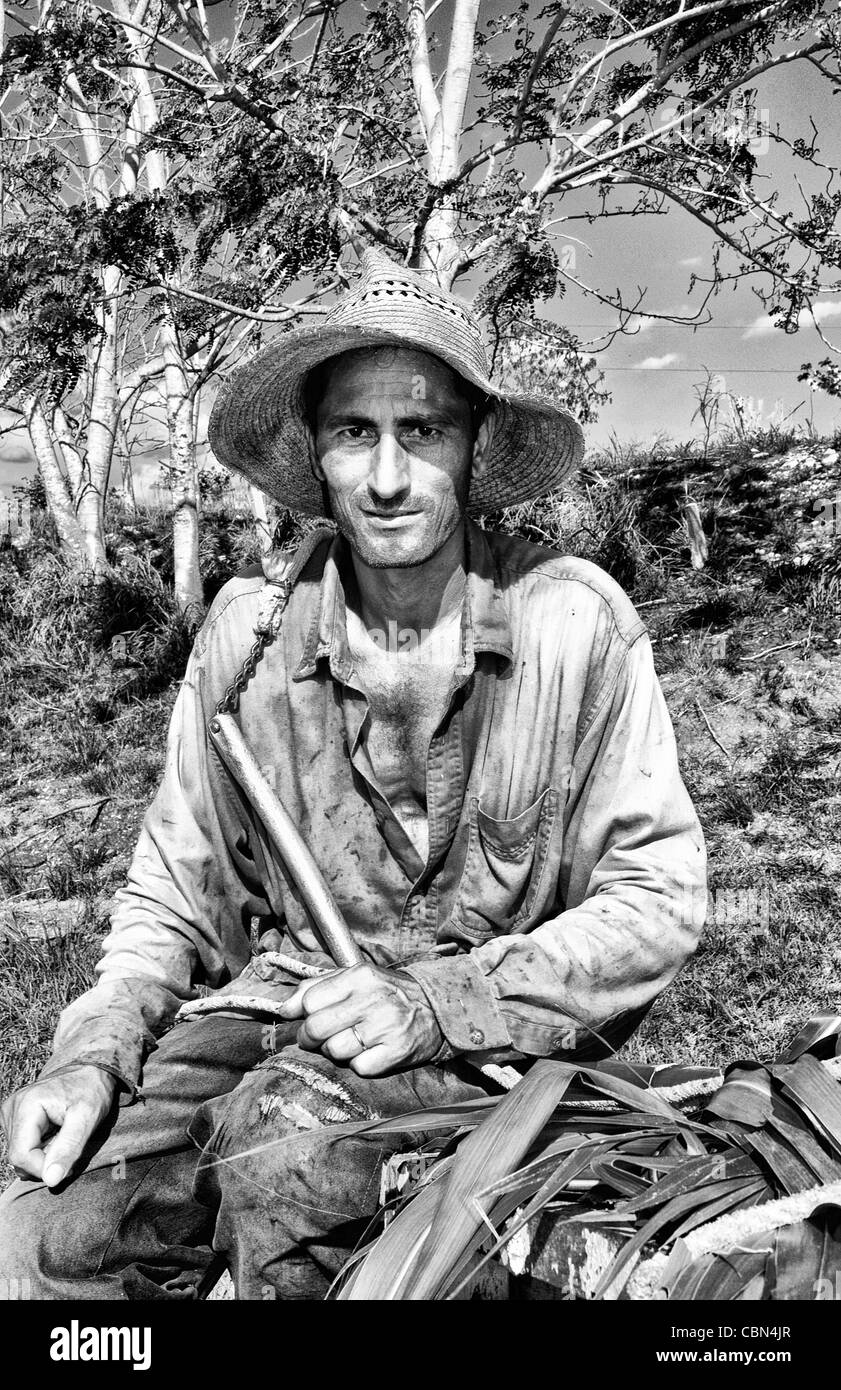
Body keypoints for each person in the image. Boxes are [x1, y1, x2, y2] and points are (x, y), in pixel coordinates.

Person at [0, 249, 706, 1299]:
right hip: (272, 1008)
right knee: (38, 1237)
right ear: (317, 456)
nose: (385, 475)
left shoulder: (573, 624)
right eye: (353, 432)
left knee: (290, 1162)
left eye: (421, 431)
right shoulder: (248, 640)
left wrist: (434, 998)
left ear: (470, 449)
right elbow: (173, 901)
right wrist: (91, 1052)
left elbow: (655, 899)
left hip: (488, 1042)